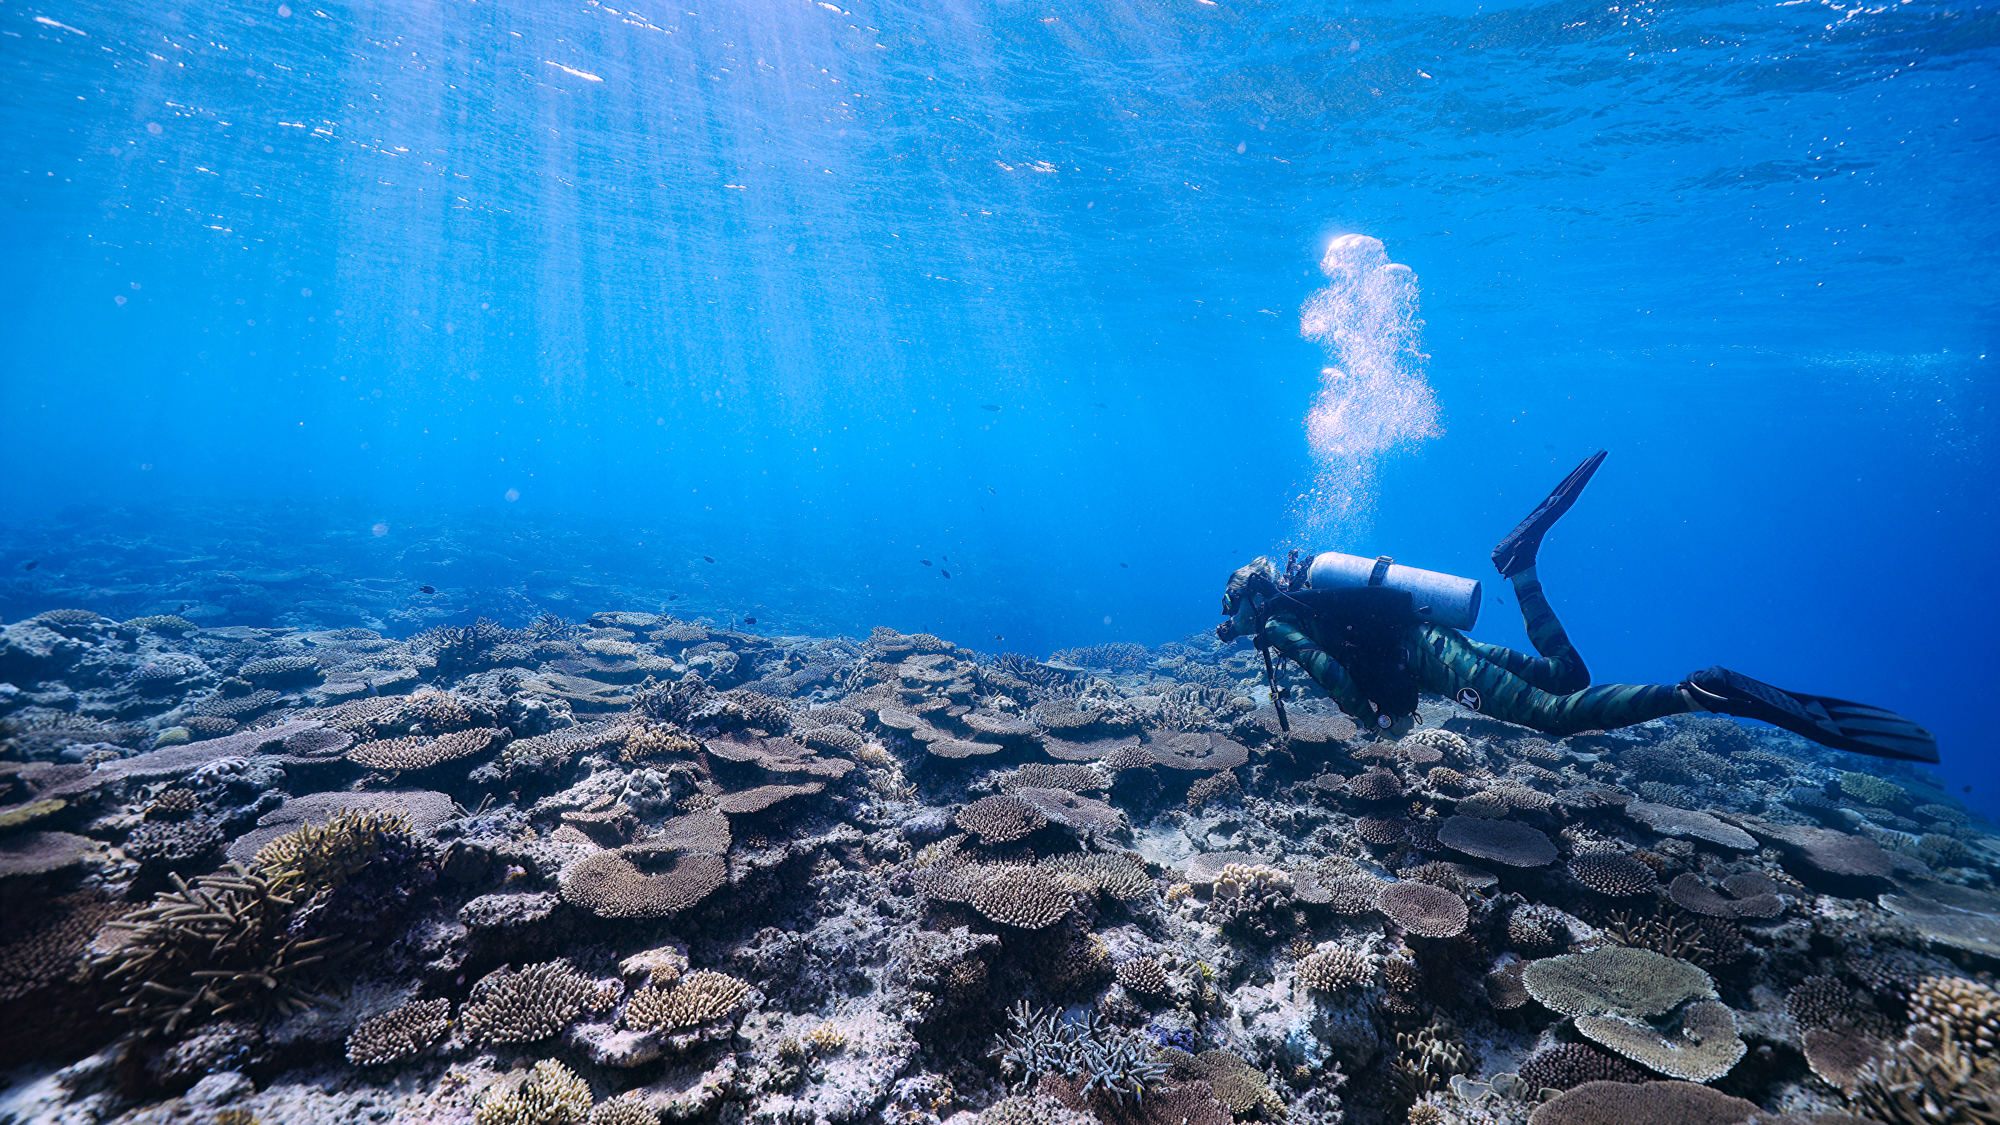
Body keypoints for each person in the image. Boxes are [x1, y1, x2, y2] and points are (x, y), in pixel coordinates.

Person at [1217, 452, 1937, 762]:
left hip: (1432, 658)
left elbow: (1332, 674)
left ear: (1251, 604)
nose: (1242, 629)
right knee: (1568, 676)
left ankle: (1698, 691)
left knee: (1556, 720)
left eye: (1237, 617)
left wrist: (1372, 721)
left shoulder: (1282, 620)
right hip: (1433, 641)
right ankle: (1521, 564)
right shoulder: (1304, 592)